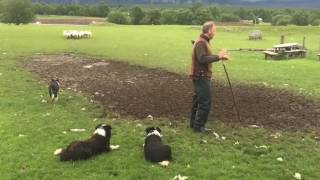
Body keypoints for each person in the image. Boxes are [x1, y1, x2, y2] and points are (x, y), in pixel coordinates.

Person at [190, 21, 230, 133]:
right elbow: (202, 59)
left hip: (201, 75)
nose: (215, 33)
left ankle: (194, 124)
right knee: (205, 102)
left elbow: (206, 56)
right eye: (214, 30)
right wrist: (219, 56)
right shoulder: (201, 43)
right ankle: (199, 127)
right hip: (201, 76)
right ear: (209, 31)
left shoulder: (204, 41)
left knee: (198, 101)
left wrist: (220, 57)